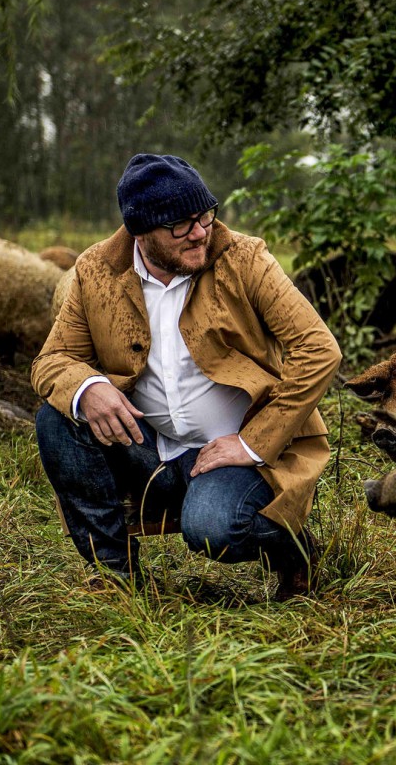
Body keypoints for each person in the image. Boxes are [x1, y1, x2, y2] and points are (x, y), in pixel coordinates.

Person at [31, 153, 341, 598]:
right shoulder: (96, 271)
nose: (200, 232)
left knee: (215, 529)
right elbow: (52, 359)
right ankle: (119, 577)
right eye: (181, 225)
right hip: (149, 446)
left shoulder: (244, 259)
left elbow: (319, 349)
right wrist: (87, 386)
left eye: (206, 216)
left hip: (242, 450)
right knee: (58, 418)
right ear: (141, 232)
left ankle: (293, 549)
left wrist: (252, 442)